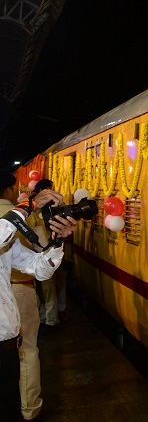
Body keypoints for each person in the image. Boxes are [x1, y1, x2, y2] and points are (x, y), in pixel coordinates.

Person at [0, 171, 78, 421]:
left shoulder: (8, 236)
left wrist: (57, 243)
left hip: (6, 342)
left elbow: (38, 269)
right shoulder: (5, 227)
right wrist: (31, 203)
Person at [30, 180, 68, 334]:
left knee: (46, 289)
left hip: (43, 254)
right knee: (45, 290)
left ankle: (47, 319)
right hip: (41, 254)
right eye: (47, 190)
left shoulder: (48, 209)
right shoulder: (35, 211)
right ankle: (47, 319)